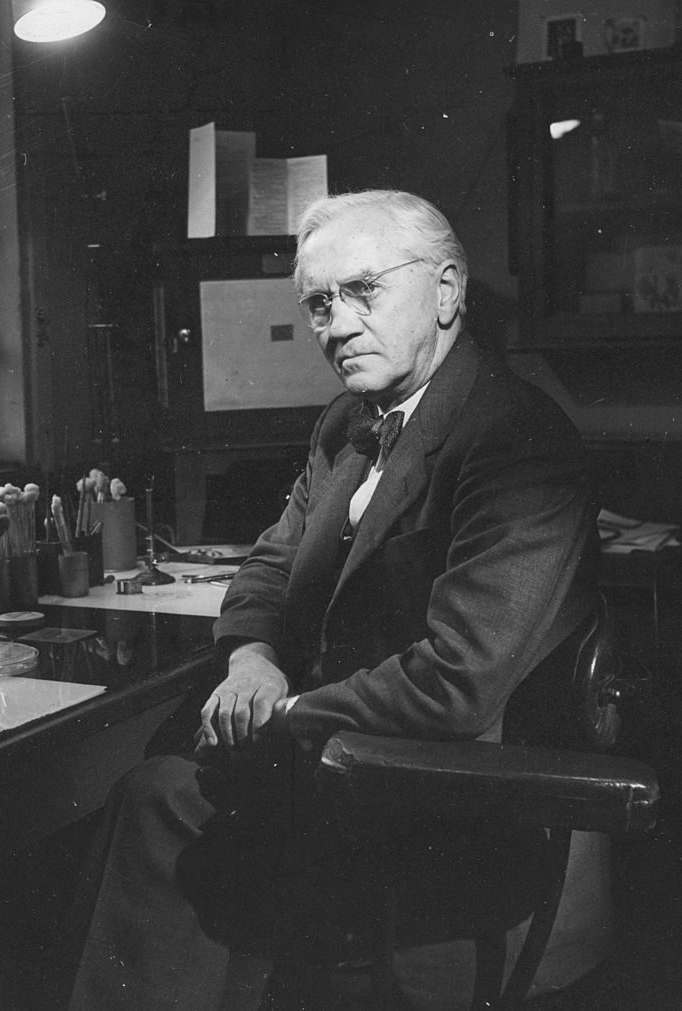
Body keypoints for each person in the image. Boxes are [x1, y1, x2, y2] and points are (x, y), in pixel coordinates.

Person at [68, 190, 599, 1009]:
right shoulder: (348, 424)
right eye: (319, 303)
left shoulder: (516, 436)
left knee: (158, 802)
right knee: (150, 784)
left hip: (447, 799)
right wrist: (251, 659)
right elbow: (269, 569)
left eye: (364, 291)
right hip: (343, 764)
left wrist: (283, 716)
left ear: (448, 291)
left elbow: (456, 681)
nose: (336, 324)